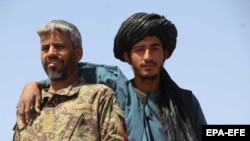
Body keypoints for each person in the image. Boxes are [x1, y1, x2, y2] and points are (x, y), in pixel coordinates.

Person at [17, 12, 207, 141]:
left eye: (154, 49)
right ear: (127, 56)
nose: (148, 57)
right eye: (140, 50)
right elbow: (69, 72)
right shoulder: (115, 91)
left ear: (165, 53)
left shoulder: (185, 102)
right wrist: (35, 85)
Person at [13, 20, 127, 141]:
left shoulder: (99, 97)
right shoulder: (30, 103)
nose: (51, 53)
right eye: (45, 48)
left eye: (59, 46)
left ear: (78, 53)